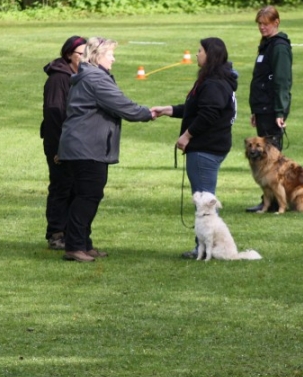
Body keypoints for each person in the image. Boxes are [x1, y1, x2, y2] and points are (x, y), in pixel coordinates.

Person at [58, 37, 156, 262]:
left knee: (87, 194)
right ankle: (74, 246)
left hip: (85, 146)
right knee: (87, 196)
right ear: (97, 56)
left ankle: (84, 244)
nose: (113, 58)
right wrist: (147, 113)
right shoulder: (95, 79)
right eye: (110, 53)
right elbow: (121, 104)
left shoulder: (92, 76)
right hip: (86, 147)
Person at [151, 37, 238, 259]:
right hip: (212, 146)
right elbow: (194, 108)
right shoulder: (214, 79)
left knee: (204, 200)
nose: (197, 54)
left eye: (200, 51)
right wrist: (168, 109)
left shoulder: (213, 83)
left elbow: (208, 114)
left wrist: (187, 136)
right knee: (205, 197)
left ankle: (206, 248)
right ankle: (209, 246)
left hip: (205, 148)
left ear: (210, 55)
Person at [40, 35, 87, 250]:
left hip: (73, 142)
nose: (85, 58)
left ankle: (70, 232)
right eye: (81, 54)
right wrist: (60, 147)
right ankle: (56, 234)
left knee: (75, 186)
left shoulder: (80, 75)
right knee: (61, 186)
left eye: (88, 54)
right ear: (69, 55)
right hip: (58, 142)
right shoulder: (59, 79)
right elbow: (54, 114)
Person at [246, 5, 293, 213]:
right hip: (263, 107)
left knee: (273, 162)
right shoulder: (266, 44)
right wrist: (256, 110)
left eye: (265, 24)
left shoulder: (279, 47)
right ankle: (269, 200)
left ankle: (276, 202)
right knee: (265, 161)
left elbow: (282, 81)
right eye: (259, 24)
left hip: (272, 109)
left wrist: (280, 111)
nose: (262, 28)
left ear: (276, 22)